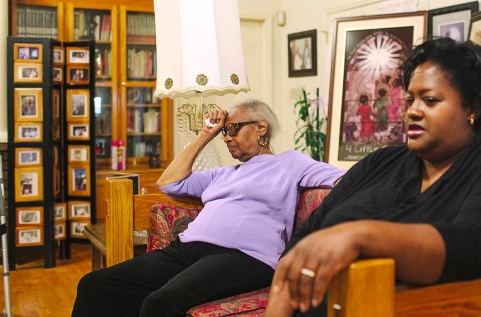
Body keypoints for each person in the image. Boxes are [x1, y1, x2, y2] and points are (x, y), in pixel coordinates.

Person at [265, 38, 481, 316]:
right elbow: (305, 240)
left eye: (429, 100)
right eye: (410, 100)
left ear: (473, 109)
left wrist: (360, 236)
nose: (413, 111)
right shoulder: (381, 162)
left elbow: (468, 250)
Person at [72, 99, 345, 317]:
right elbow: (168, 182)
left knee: (159, 304)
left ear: (261, 127)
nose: (226, 138)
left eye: (233, 129)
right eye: (224, 132)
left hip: (245, 256)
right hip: (186, 249)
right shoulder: (223, 174)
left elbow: (341, 179)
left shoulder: (290, 163)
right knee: (95, 286)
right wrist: (205, 134)